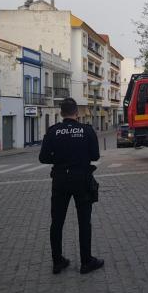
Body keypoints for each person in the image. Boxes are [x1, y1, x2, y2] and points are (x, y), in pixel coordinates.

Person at [39, 98, 104, 275]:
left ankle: (57, 261)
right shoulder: (86, 130)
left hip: (59, 180)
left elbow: (43, 158)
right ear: (77, 113)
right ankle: (86, 262)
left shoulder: (53, 131)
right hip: (82, 179)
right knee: (84, 222)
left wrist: (60, 160)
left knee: (57, 222)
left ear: (61, 113)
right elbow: (96, 156)